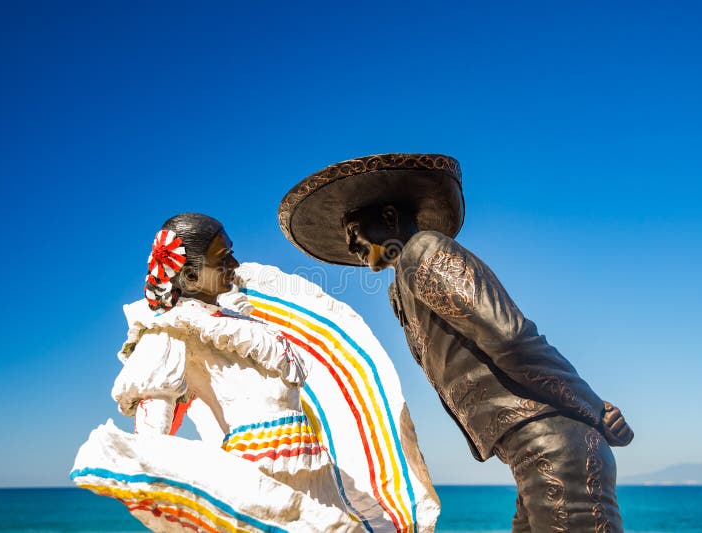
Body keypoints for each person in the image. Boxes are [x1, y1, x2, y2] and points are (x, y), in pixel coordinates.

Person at [278, 153, 634, 532]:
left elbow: (510, 338)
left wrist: (595, 409)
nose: (351, 245)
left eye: (353, 230)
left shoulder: (423, 250)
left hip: (553, 446)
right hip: (533, 451)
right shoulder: (403, 285)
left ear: (389, 218)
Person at [112, 212, 345, 509]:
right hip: (258, 477)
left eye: (231, 253)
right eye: (223, 258)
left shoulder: (234, 317)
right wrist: (152, 485)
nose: (234, 265)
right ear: (191, 276)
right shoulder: (171, 329)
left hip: (307, 467)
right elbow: (153, 424)